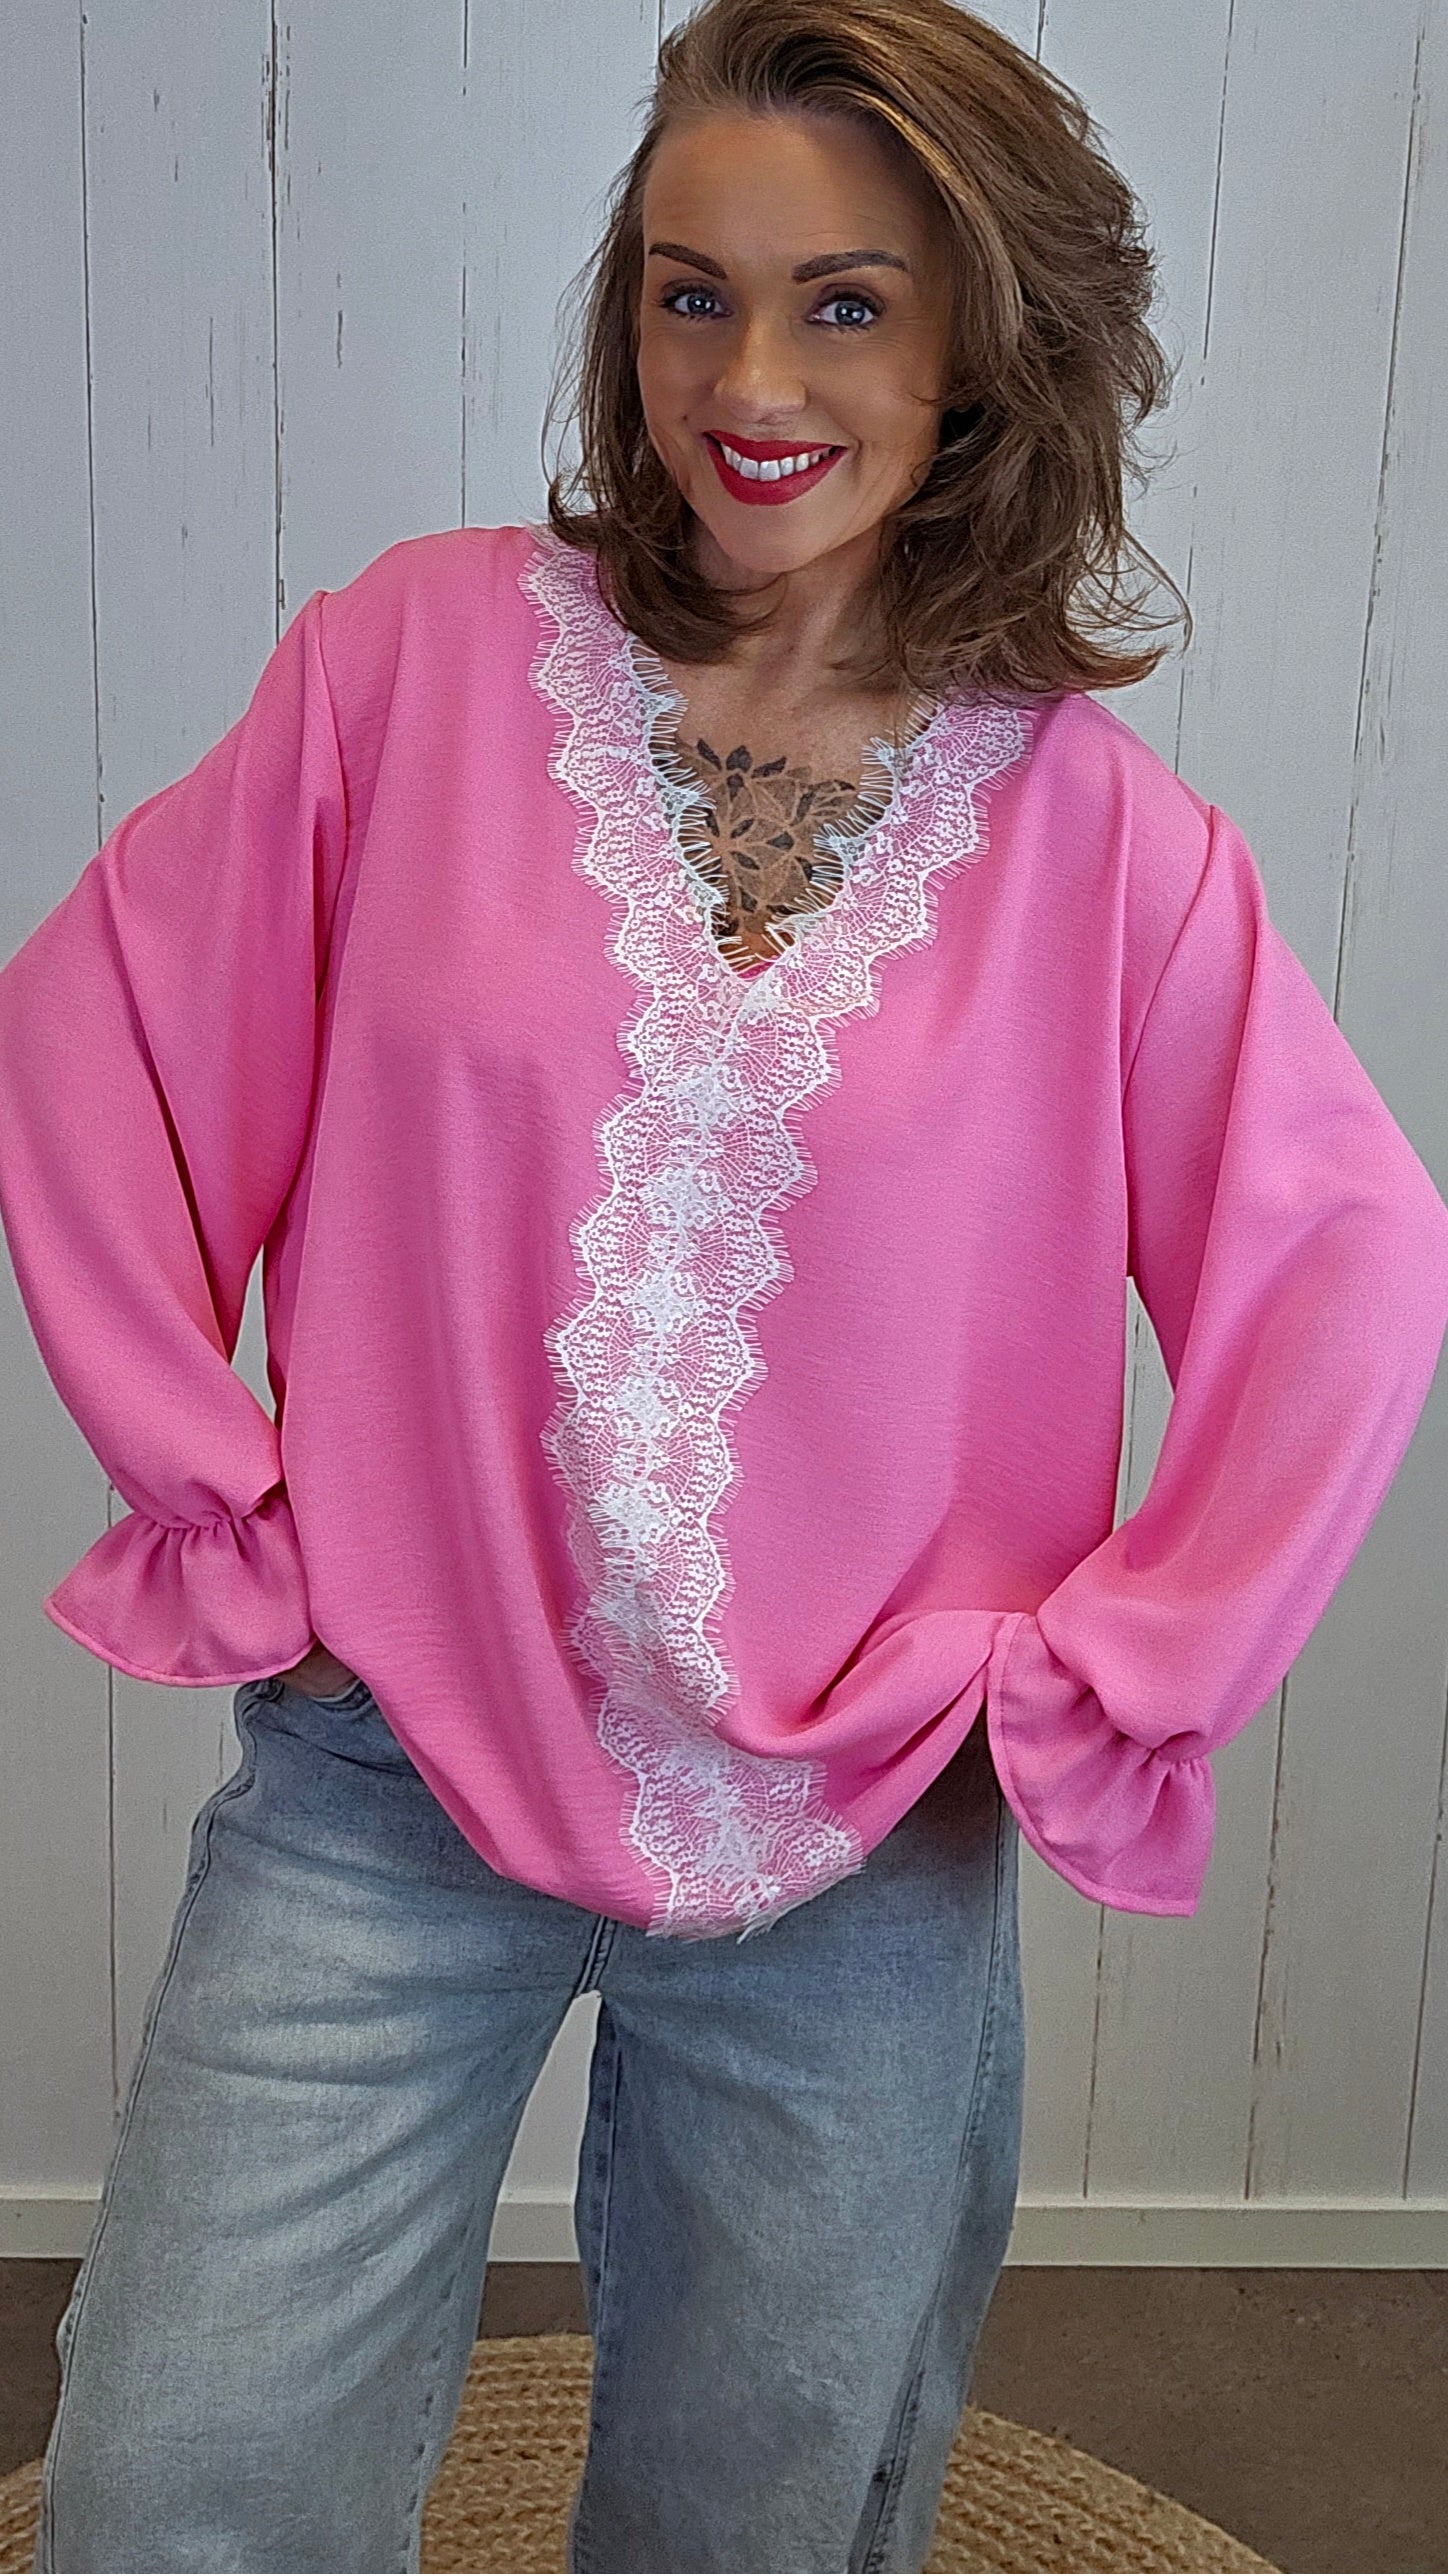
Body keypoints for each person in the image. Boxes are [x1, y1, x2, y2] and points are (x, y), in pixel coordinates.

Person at [3, 1, 1447, 2567]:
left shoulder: (1107, 853)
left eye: (844, 303)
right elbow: (101, 1032)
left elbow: (1341, 1255)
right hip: (388, 1770)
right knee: (178, 2490)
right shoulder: (411, 667)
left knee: (757, 2516)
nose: (747, 383)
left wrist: (1116, 1667)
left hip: (855, 1827)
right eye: (693, 292)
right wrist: (235, 1491)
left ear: (983, 345)